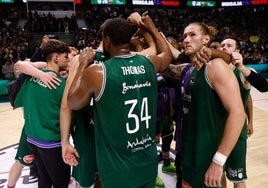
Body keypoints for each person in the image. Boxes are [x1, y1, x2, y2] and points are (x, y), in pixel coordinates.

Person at [67, 14, 172, 188]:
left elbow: (73, 102)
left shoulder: (97, 72)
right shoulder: (148, 63)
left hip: (117, 169)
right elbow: (166, 54)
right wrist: (151, 28)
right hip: (147, 161)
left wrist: (83, 64)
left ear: (107, 41)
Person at [181, 22, 246, 187]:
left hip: (207, 158)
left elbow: (238, 113)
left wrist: (218, 161)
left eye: (192, 35)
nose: (186, 40)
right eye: (184, 36)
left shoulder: (215, 66)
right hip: (190, 156)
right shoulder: (191, 68)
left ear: (206, 39)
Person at [14, 39, 71, 188]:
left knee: (43, 180)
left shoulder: (31, 76)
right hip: (51, 142)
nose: (68, 61)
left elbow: (21, 65)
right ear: (56, 58)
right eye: (66, 57)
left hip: (32, 138)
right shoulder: (60, 84)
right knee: (61, 182)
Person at [220, 37, 253, 188]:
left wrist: (251, 121)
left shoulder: (242, 72)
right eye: (222, 45)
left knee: (237, 177)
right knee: (218, 172)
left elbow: (250, 97)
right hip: (218, 131)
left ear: (237, 51)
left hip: (236, 133)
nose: (224, 47)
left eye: (228, 45)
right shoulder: (216, 70)